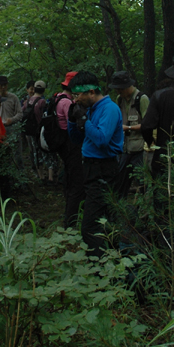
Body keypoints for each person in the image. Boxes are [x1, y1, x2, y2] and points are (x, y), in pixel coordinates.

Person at [68, 70, 123, 258]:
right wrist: (72, 120)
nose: (75, 100)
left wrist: (84, 120)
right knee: (104, 218)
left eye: (78, 95)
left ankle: (100, 267)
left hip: (103, 169)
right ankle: (113, 257)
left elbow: (101, 139)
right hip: (91, 168)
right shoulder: (91, 109)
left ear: (91, 91)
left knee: (90, 226)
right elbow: (77, 139)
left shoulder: (109, 109)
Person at [109, 71, 149, 199]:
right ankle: (120, 210)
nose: (117, 92)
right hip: (124, 148)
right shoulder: (119, 100)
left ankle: (145, 211)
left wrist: (129, 128)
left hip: (140, 148)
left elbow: (148, 125)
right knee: (120, 181)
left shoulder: (142, 99)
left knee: (143, 182)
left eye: (119, 89)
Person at [54, 70, 84, 228]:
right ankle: (70, 220)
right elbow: (74, 123)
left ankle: (71, 214)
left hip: (64, 144)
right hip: (70, 144)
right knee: (75, 182)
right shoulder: (67, 103)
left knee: (70, 177)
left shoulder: (58, 98)